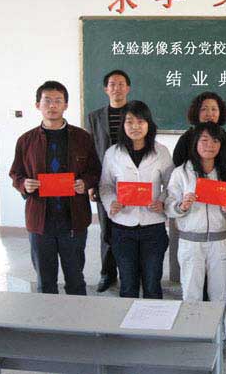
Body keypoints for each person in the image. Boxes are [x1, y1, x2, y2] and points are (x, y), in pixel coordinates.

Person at [9, 81, 101, 295]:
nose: (52, 105)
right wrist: (24, 184)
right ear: (37, 105)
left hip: (73, 219)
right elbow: (15, 173)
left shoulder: (82, 137)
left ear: (65, 105)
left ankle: (77, 316)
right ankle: (47, 316)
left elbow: (95, 170)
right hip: (40, 221)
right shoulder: (26, 141)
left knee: (75, 278)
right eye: (47, 101)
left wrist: (85, 183)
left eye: (58, 101)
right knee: (45, 281)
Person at [99, 101, 173, 299]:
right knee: (128, 285)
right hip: (122, 227)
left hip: (153, 227)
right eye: (129, 121)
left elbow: (171, 184)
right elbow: (105, 186)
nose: (135, 126)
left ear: (149, 124)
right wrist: (111, 202)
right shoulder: (112, 153)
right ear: (123, 125)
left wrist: (162, 201)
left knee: (152, 284)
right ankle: (129, 320)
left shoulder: (161, 152)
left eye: (140, 121)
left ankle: (152, 319)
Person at [166, 122, 226, 303]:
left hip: (220, 241)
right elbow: (168, 205)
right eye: (205, 140)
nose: (210, 145)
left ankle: (218, 324)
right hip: (190, 242)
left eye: (215, 141)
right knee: (191, 296)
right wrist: (181, 206)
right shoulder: (181, 173)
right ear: (195, 143)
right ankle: (191, 324)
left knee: (219, 296)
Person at [87, 69, 132, 292]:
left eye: (121, 84)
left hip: (132, 180)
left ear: (128, 88)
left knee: (130, 228)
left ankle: (130, 273)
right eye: (112, 84)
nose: (117, 88)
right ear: (106, 89)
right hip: (104, 179)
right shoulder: (94, 117)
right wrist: (91, 184)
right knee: (107, 230)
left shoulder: (136, 114)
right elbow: (90, 152)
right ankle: (107, 273)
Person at [172, 91, 226, 168]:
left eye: (214, 109)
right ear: (196, 112)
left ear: (220, 112)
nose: (209, 114)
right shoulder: (186, 139)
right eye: (204, 109)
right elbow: (178, 165)